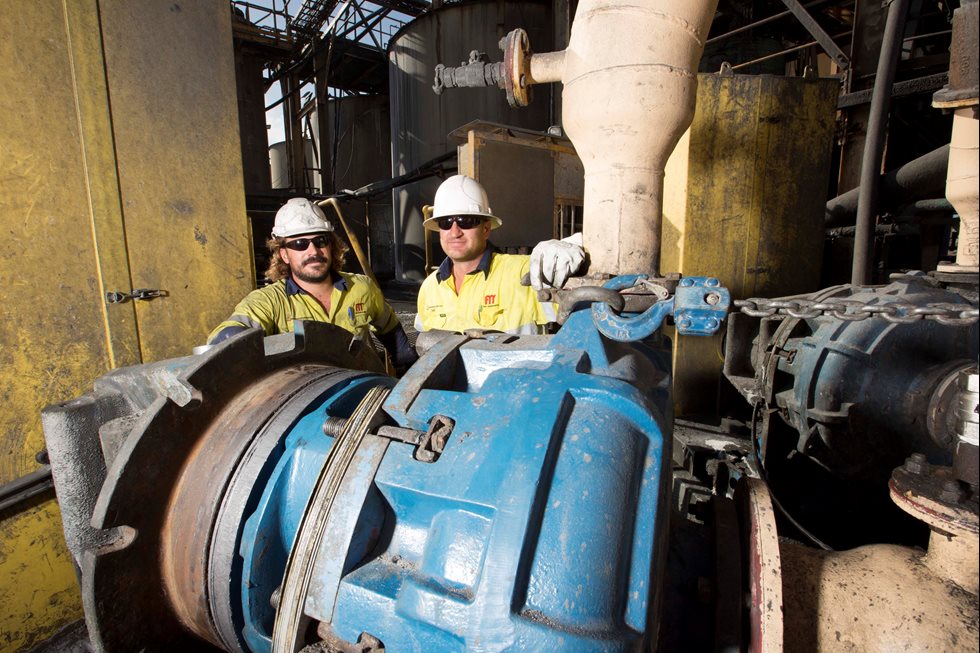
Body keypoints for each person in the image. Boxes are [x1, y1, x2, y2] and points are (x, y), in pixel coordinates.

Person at [209, 197, 418, 372]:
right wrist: (234, 339)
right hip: (309, 399)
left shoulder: (362, 288)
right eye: (300, 244)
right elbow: (225, 335)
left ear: (331, 246)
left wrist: (407, 373)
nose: (313, 251)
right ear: (284, 254)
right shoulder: (270, 302)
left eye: (320, 241)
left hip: (362, 391)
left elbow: (390, 329)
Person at [415, 175, 586, 335]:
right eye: (445, 223)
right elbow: (423, 346)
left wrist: (576, 245)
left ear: (486, 228)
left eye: (465, 221)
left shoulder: (524, 273)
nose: (454, 232)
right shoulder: (429, 288)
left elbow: (586, 301)